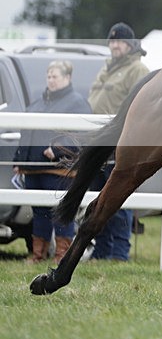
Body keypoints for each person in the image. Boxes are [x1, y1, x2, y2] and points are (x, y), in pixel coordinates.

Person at [13, 60, 92, 264]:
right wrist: (19, 160)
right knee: (39, 212)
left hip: (58, 169)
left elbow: (81, 135)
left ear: (67, 78)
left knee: (61, 211)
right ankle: (38, 255)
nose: (51, 80)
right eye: (48, 76)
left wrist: (57, 150)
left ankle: (62, 256)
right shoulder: (38, 103)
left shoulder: (78, 103)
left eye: (55, 76)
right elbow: (25, 132)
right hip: (33, 169)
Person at [87, 22, 150, 261]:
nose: (114, 46)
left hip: (119, 142)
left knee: (118, 197)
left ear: (130, 45)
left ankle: (119, 252)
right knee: (99, 198)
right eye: (111, 41)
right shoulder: (106, 69)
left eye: (119, 42)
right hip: (99, 142)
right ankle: (102, 250)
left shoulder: (137, 69)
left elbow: (140, 106)